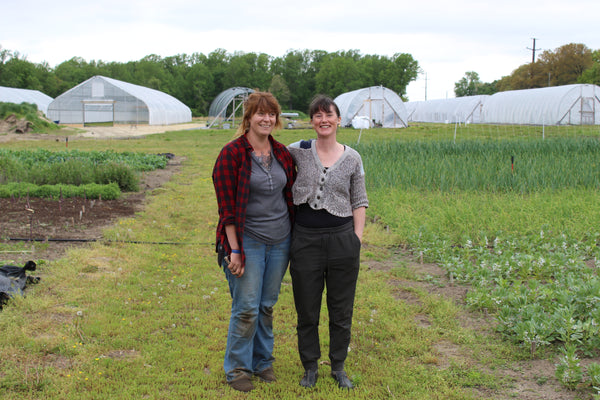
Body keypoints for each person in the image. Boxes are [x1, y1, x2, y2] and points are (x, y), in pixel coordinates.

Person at [212, 91, 295, 393]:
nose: (267, 119)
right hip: (247, 242)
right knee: (246, 307)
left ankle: (262, 362)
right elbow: (227, 210)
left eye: (271, 114)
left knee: (267, 305)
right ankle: (237, 368)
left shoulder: (283, 153)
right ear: (248, 117)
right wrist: (234, 250)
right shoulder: (232, 154)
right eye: (260, 113)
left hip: (280, 241)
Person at [288, 95, 368, 390]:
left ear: (338, 120)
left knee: (341, 308)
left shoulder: (352, 158)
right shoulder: (298, 151)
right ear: (312, 121)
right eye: (317, 115)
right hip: (305, 239)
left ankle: (338, 366)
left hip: (341, 240)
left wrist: (356, 240)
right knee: (307, 308)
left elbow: (359, 200)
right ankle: (310, 366)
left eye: (329, 115)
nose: (323, 120)